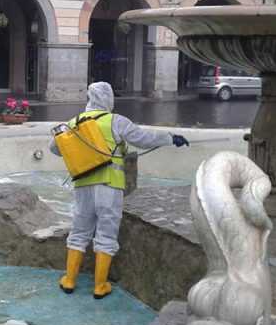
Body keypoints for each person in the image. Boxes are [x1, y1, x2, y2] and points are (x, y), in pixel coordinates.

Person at [50, 81, 190, 299]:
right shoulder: (115, 121)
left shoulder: (73, 122)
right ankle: (100, 286)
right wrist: (171, 138)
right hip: (109, 185)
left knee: (78, 232)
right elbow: (144, 139)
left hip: (83, 186)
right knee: (106, 234)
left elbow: (55, 148)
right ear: (108, 98)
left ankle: (69, 280)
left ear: (89, 98)